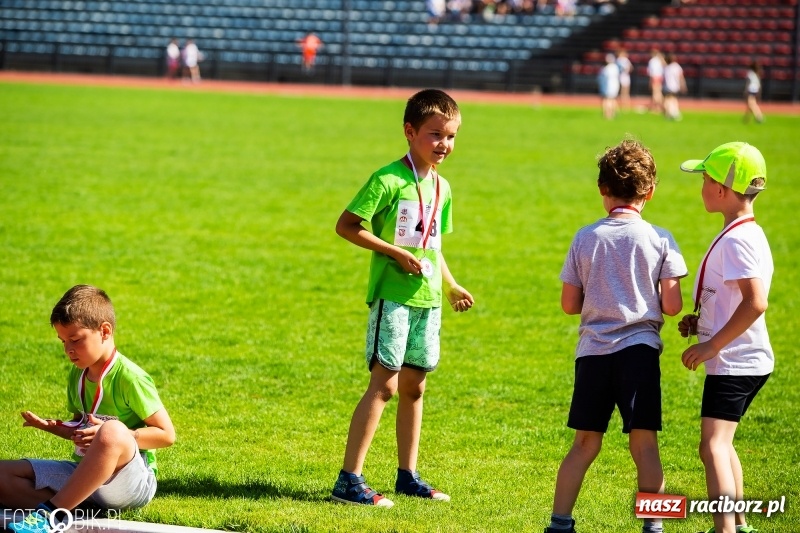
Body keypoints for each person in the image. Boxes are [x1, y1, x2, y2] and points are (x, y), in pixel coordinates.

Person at [331, 89, 474, 508]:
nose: (444, 144)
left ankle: (407, 475)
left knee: (415, 386)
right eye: (435, 134)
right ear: (410, 132)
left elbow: (433, 246)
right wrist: (393, 252)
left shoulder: (442, 187)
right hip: (392, 297)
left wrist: (450, 285)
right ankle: (349, 479)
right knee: (385, 385)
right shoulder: (388, 179)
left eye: (451, 136)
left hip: (427, 300)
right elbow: (347, 225)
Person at [546, 139, 687, 533]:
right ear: (650, 191)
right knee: (645, 446)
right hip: (639, 353)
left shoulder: (585, 237)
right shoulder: (661, 238)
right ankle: (654, 525)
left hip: (592, 353)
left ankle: (559, 523)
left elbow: (569, 304)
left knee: (584, 444)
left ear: (602, 189)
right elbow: (672, 305)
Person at [0, 285, 176, 533]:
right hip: (85, 476)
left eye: (75, 340)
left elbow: (167, 435)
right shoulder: (77, 374)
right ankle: (77, 506)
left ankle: (50, 515)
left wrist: (122, 434)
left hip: (129, 482)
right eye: (63, 341)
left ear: (105, 331)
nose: (68, 349)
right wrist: (52, 427)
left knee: (112, 430)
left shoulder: (130, 377)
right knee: (2, 475)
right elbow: (80, 430)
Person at [678, 142, 772, 533]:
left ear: (720, 189)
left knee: (712, 446)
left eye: (704, 179)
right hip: (742, 359)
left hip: (735, 361)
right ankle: (741, 523)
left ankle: (725, 529)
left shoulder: (737, 240)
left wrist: (712, 345)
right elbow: (730, 294)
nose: (701, 187)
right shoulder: (745, 232)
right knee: (724, 441)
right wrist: (700, 322)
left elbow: (755, 302)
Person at [662, 53, 687, 121]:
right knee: (673, 99)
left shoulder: (666, 67)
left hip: (667, 86)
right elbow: (681, 77)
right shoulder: (676, 67)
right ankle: (674, 112)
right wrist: (683, 85)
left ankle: (669, 113)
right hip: (675, 86)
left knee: (667, 100)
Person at [597, 53, 620, 120]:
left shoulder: (606, 68)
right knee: (612, 99)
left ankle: (607, 113)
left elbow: (601, 78)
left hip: (607, 86)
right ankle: (611, 113)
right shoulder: (615, 67)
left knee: (607, 100)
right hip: (614, 86)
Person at [647, 48, 665, 114]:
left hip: (655, 77)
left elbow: (651, 72)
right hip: (660, 77)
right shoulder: (659, 60)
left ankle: (657, 107)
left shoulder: (652, 61)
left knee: (655, 93)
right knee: (659, 92)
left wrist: (650, 81)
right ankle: (660, 106)